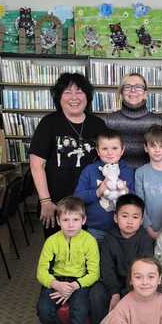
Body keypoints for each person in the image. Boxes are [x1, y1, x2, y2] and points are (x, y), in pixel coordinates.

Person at [29, 72, 108, 237]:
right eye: (67, 92)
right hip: (57, 205)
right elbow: (37, 165)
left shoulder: (98, 124)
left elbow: (108, 160)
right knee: (58, 249)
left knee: (89, 249)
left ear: (87, 96)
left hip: (90, 203)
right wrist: (45, 201)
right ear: (59, 97)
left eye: (79, 92)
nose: (74, 97)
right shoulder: (49, 123)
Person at [36, 197, 99, 324]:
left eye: (75, 220)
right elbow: (41, 271)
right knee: (43, 309)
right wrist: (56, 284)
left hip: (79, 283)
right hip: (56, 280)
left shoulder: (89, 241)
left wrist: (74, 286)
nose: (70, 225)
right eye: (65, 220)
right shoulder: (52, 241)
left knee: (79, 313)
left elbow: (94, 273)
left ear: (83, 220)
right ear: (58, 221)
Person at [89, 194, 154, 324]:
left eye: (135, 217)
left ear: (141, 219)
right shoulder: (109, 238)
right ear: (116, 217)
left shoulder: (144, 239)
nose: (130, 221)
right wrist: (114, 293)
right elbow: (106, 268)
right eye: (125, 216)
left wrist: (126, 295)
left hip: (135, 285)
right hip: (112, 283)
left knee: (134, 301)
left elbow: (144, 270)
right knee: (96, 293)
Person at [73, 129, 135, 241]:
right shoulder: (89, 170)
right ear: (98, 151)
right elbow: (77, 197)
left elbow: (135, 199)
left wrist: (126, 192)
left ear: (122, 150)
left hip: (122, 230)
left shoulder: (128, 171)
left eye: (114, 148)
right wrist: (97, 192)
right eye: (104, 149)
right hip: (96, 229)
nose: (110, 153)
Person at [102, 73, 162, 168]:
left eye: (138, 87)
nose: (133, 90)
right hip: (117, 175)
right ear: (121, 92)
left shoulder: (157, 121)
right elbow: (103, 154)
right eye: (127, 87)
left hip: (149, 175)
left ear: (145, 93)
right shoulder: (109, 121)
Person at [135, 125, 162, 240]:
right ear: (146, 148)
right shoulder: (140, 173)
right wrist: (149, 229)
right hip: (145, 230)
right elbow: (139, 204)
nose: (157, 150)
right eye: (152, 146)